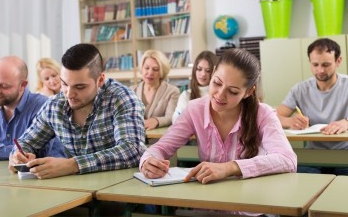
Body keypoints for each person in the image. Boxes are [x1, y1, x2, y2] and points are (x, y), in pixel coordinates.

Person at [140, 48, 297, 187]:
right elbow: (161, 148)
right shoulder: (195, 109)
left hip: (251, 206)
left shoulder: (263, 114)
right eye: (217, 83)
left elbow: (287, 160)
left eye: (233, 91)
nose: (220, 95)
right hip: (209, 205)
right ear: (213, 72)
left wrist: (230, 167)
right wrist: (148, 161)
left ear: (248, 92)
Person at [8, 43, 145, 179]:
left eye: (80, 87)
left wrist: (72, 165)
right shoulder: (55, 106)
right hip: (80, 192)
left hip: (122, 190)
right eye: (64, 84)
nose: (69, 94)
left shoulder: (121, 98)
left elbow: (132, 150)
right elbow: (25, 142)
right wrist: (19, 156)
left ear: (100, 80)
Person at [277, 38, 348, 175]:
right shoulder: (300, 89)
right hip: (313, 155)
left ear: (338, 61)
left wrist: (346, 122)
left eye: (326, 64)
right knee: (301, 185)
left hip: (344, 154)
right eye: (315, 64)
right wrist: (290, 122)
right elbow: (274, 117)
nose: (320, 70)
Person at [0, 56, 66, 160]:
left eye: (4, 86)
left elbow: (38, 151)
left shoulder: (43, 106)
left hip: (38, 174)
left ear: (22, 85)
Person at [131, 49, 180, 130]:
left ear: (161, 71)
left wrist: (156, 121)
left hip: (159, 138)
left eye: (155, 69)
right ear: (142, 68)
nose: (150, 73)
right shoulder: (131, 91)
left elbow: (171, 116)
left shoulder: (172, 91)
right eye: (146, 68)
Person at [172, 50, 218, 123]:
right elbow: (176, 120)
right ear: (194, 70)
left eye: (208, 70)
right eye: (199, 69)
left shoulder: (219, 95)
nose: (203, 74)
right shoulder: (186, 95)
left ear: (215, 72)